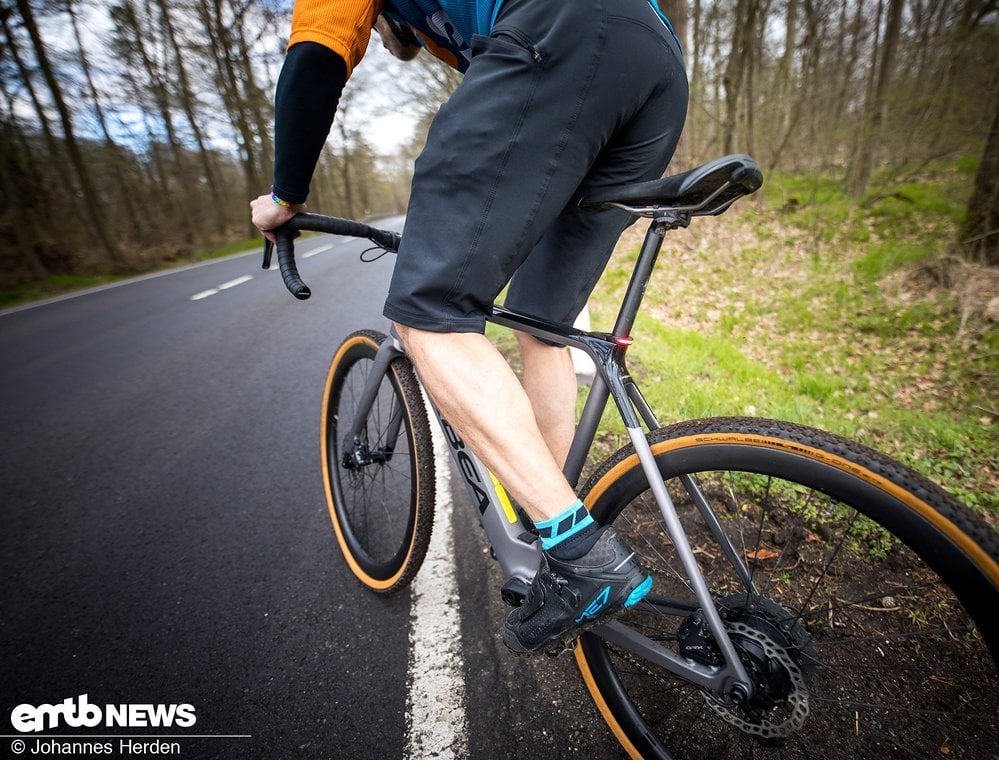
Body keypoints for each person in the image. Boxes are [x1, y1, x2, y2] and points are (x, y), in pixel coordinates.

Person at [251, 0, 688, 654]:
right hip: (656, 60)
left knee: (430, 315)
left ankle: (578, 554)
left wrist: (286, 196)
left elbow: (315, 57)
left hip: (566, 26)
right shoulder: (458, 24)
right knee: (545, 324)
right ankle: (554, 529)